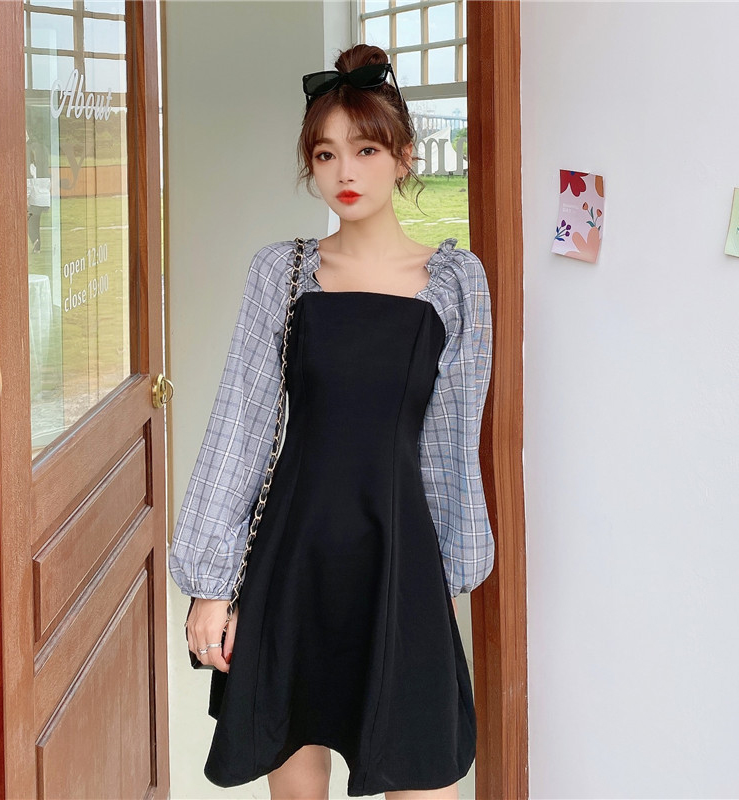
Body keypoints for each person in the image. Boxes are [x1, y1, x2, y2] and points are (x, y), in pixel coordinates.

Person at [169, 43, 495, 800]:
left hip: (397, 554)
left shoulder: (455, 282)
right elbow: (241, 423)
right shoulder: (282, 272)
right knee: (294, 752)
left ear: (405, 157)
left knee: (421, 765)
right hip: (296, 553)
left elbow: (452, 443)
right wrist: (211, 586)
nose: (345, 171)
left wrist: (447, 569)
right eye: (325, 153)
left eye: (366, 149)